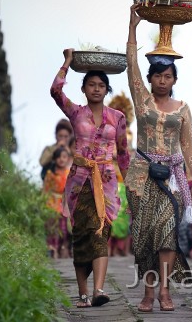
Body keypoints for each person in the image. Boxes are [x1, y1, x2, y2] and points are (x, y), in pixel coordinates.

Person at [125, 3, 192, 313]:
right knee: (145, 239)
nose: (161, 81)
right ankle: (147, 292)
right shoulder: (141, 98)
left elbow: (188, 147)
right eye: (157, 75)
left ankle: (164, 292)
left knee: (167, 234)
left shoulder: (183, 109)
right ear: (151, 78)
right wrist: (132, 28)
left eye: (167, 76)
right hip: (141, 177)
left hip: (171, 179)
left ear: (174, 79)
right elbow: (130, 64)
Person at [50, 49, 129, 308]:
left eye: (101, 86)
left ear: (107, 90)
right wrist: (67, 62)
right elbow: (56, 92)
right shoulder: (75, 113)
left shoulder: (118, 118)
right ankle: (83, 293)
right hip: (79, 182)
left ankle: (98, 290)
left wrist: (129, 182)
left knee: (100, 233)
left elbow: (123, 152)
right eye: (92, 85)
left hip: (105, 183)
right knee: (82, 236)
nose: (96, 89)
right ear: (84, 88)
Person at [43, 146, 71, 259]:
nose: (61, 159)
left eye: (64, 157)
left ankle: (62, 248)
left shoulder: (69, 173)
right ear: (54, 159)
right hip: (51, 203)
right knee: (52, 228)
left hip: (64, 203)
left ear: (68, 159)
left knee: (64, 229)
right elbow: (46, 189)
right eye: (58, 157)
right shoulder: (50, 174)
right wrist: (44, 203)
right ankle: (52, 248)